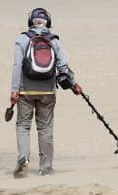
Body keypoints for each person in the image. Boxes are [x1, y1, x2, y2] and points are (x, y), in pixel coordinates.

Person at [10, 8, 82, 178]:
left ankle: (23, 158)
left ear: (30, 22)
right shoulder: (54, 41)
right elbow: (63, 68)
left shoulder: (22, 39)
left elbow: (16, 66)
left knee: (23, 125)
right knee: (45, 128)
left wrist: (14, 90)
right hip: (48, 92)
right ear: (48, 22)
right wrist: (74, 85)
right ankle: (46, 168)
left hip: (25, 90)